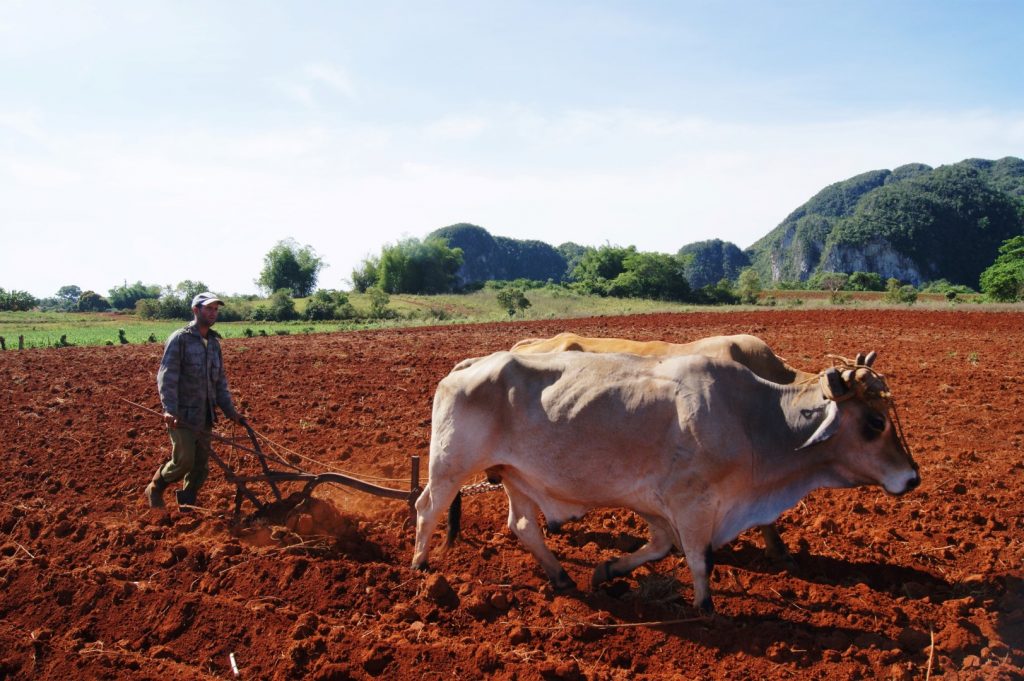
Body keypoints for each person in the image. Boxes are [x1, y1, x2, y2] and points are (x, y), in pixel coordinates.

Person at [144, 292, 245, 510]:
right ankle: (155, 487)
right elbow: (167, 376)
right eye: (208, 308)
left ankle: (187, 506)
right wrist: (169, 410)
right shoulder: (180, 339)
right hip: (182, 415)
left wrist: (231, 412)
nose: (213, 313)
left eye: (216, 309)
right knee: (184, 461)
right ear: (196, 310)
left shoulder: (214, 344)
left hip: (205, 414)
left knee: (200, 467)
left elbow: (220, 382)